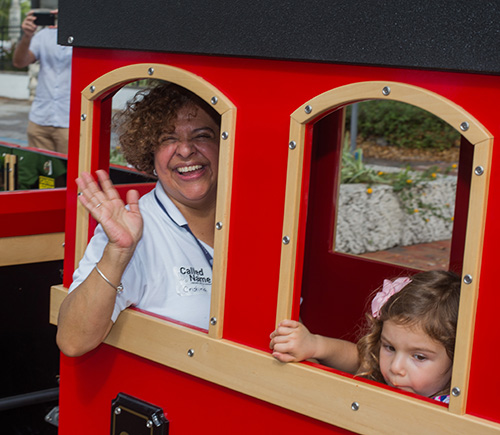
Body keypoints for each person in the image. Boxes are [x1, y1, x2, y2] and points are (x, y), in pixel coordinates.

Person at [56, 82, 221, 357]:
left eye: (202, 135)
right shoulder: (135, 229)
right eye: (168, 139)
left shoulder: (256, 221)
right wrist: (119, 251)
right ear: (150, 153)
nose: (185, 150)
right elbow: (73, 340)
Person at [269, 270, 460, 403]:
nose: (395, 367)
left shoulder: (451, 408)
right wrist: (315, 345)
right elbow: (358, 358)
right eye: (390, 348)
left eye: (419, 356)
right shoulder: (390, 372)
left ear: (457, 359)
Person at [13, 9, 72, 153]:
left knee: (70, 172)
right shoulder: (43, 35)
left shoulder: (87, 37)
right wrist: (27, 36)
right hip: (40, 119)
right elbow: (19, 62)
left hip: (71, 120)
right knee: (39, 171)